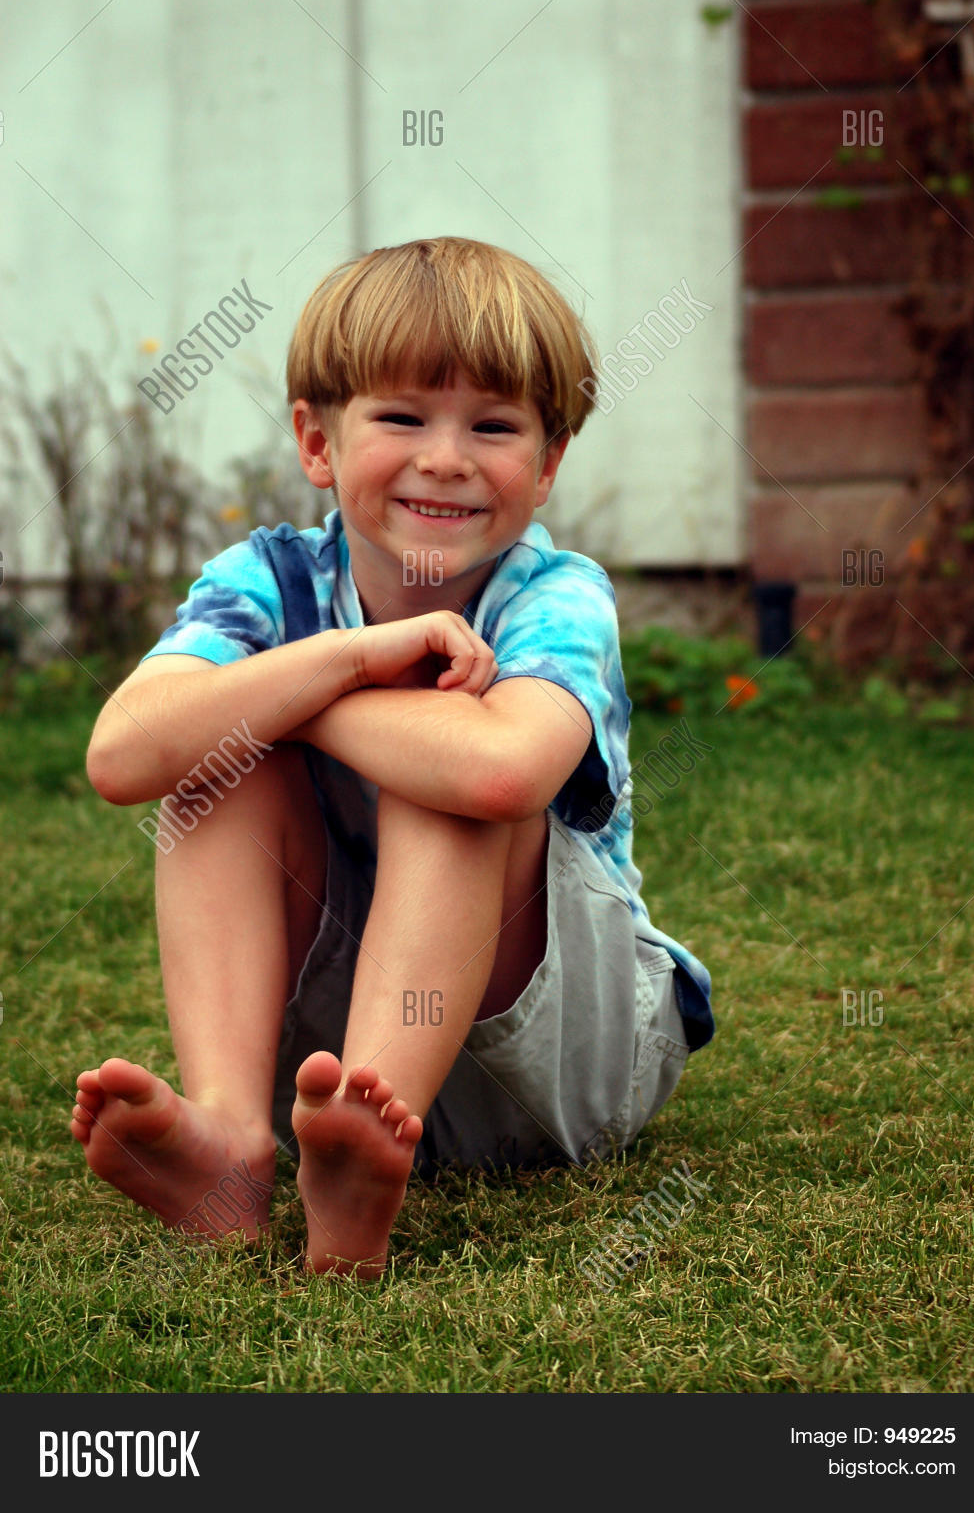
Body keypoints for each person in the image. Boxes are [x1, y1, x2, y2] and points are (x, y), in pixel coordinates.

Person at [72, 236, 714, 1278]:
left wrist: (305, 694)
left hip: (559, 1062)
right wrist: (350, 658)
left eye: (494, 426)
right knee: (219, 765)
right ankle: (237, 1140)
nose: (448, 458)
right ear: (316, 443)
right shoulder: (267, 582)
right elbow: (123, 755)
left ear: (547, 464)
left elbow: (503, 774)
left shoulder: (554, 596)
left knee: (446, 762)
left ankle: (376, 1122)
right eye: (403, 417)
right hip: (322, 1077)